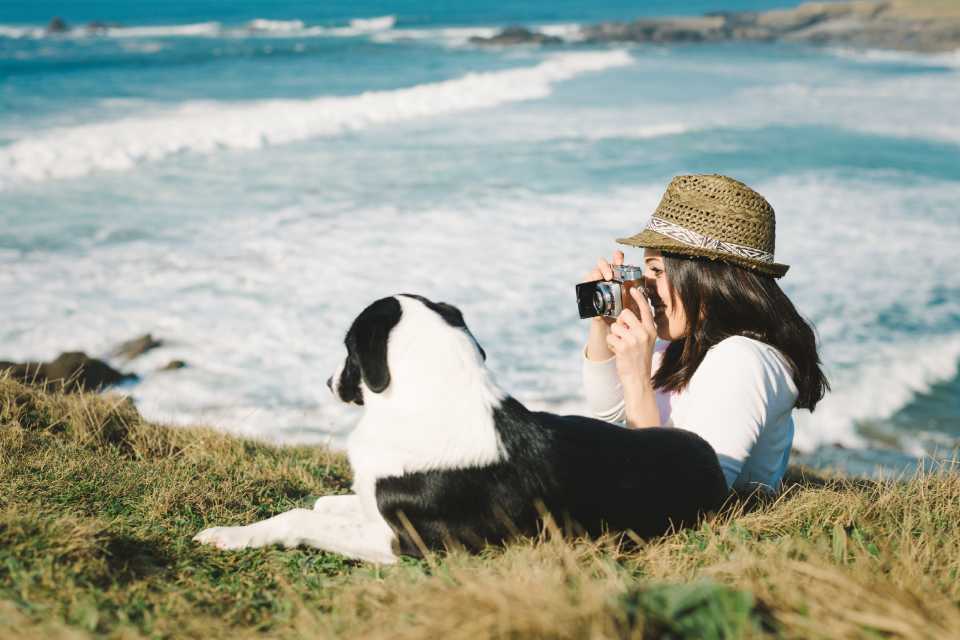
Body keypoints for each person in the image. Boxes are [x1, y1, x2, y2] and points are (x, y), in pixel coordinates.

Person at [581, 174, 828, 494]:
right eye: (645, 270)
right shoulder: (692, 342)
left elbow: (678, 500)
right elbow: (609, 411)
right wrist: (604, 323)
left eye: (657, 270)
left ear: (709, 277)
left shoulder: (741, 360)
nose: (647, 286)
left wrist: (637, 379)